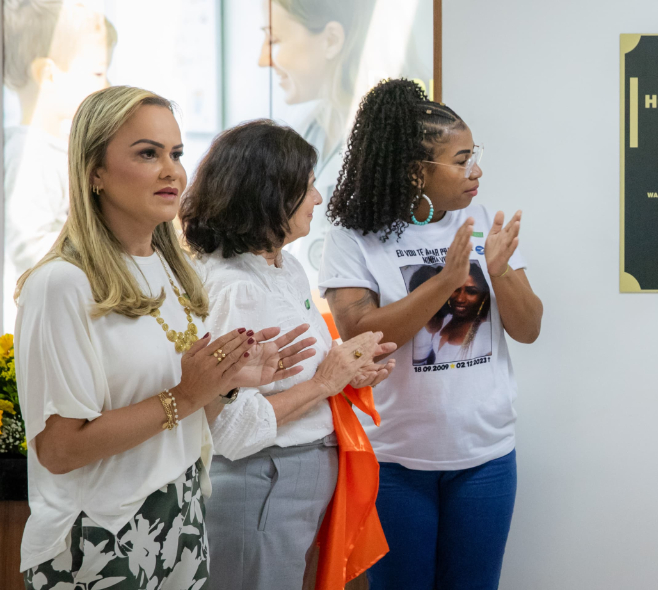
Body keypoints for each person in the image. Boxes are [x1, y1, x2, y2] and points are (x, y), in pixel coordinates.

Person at [14, 86, 308, 589]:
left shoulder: (176, 273)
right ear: (95, 173)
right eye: (147, 153)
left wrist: (225, 382)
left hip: (182, 515)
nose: (172, 170)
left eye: (175, 154)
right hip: (98, 534)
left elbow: (189, 412)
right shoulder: (61, 284)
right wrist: (186, 394)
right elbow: (60, 450)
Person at [321, 78, 543, 590]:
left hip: (485, 456)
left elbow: (528, 329)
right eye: (462, 160)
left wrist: (501, 271)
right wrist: (446, 281)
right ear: (415, 171)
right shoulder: (355, 237)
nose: (476, 171)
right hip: (396, 459)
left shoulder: (482, 220)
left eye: (475, 156)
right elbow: (361, 336)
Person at [178, 119, 396, 590]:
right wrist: (324, 383)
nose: (318, 199)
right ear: (271, 195)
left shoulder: (285, 266)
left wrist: (346, 368)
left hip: (291, 482)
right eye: (309, 187)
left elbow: (287, 372)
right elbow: (228, 429)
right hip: (262, 484)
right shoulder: (232, 287)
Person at [2, 0, 116, 332]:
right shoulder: (29, 154)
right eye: (98, 72)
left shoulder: (59, 148)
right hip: (40, 323)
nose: (106, 83)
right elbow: (29, 247)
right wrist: (108, 245)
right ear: (48, 74)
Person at [258, 0, 374, 286]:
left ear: (331, 40)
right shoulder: (306, 126)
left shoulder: (381, 142)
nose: (263, 59)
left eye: (274, 39)